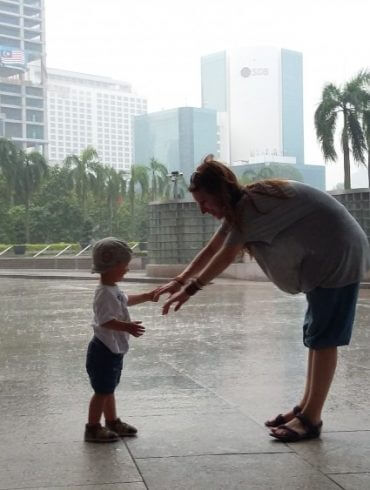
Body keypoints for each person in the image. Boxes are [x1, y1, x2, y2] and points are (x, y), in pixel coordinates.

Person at [153, 154, 370, 443]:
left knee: (325, 338)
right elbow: (213, 246)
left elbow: (226, 254)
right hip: (327, 257)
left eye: (204, 202)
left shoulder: (250, 208)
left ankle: (311, 418)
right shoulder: (246, 204)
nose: (203, 210)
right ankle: (304, 409)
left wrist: (191, 289)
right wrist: (181, 279)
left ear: (219, 193)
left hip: (338, 255)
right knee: (316, 335)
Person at [85, 237, 156, 443]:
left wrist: (147, 295)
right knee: (101, 391)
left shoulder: (113, 289)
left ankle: (112, 421)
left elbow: (125, 301)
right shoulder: (103, 294)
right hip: (103, 350)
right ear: (112, 266)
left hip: (112, 349)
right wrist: (127, 327)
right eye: (124, 266)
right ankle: (92, 427)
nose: (127, 270)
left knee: (108, 389)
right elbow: (104, 320)